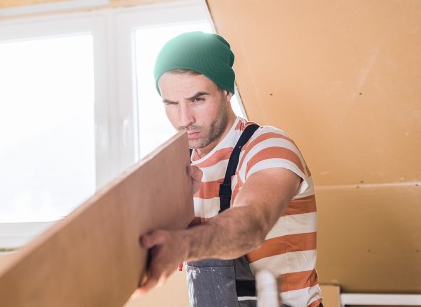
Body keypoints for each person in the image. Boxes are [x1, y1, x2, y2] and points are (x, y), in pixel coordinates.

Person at [133, 32, 322, 306]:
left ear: (226, 91)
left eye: (198, 99)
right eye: (171, 103)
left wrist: (184, 244)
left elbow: (251, 223)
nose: (184, 119)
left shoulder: (267, 146)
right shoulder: (179, 167)